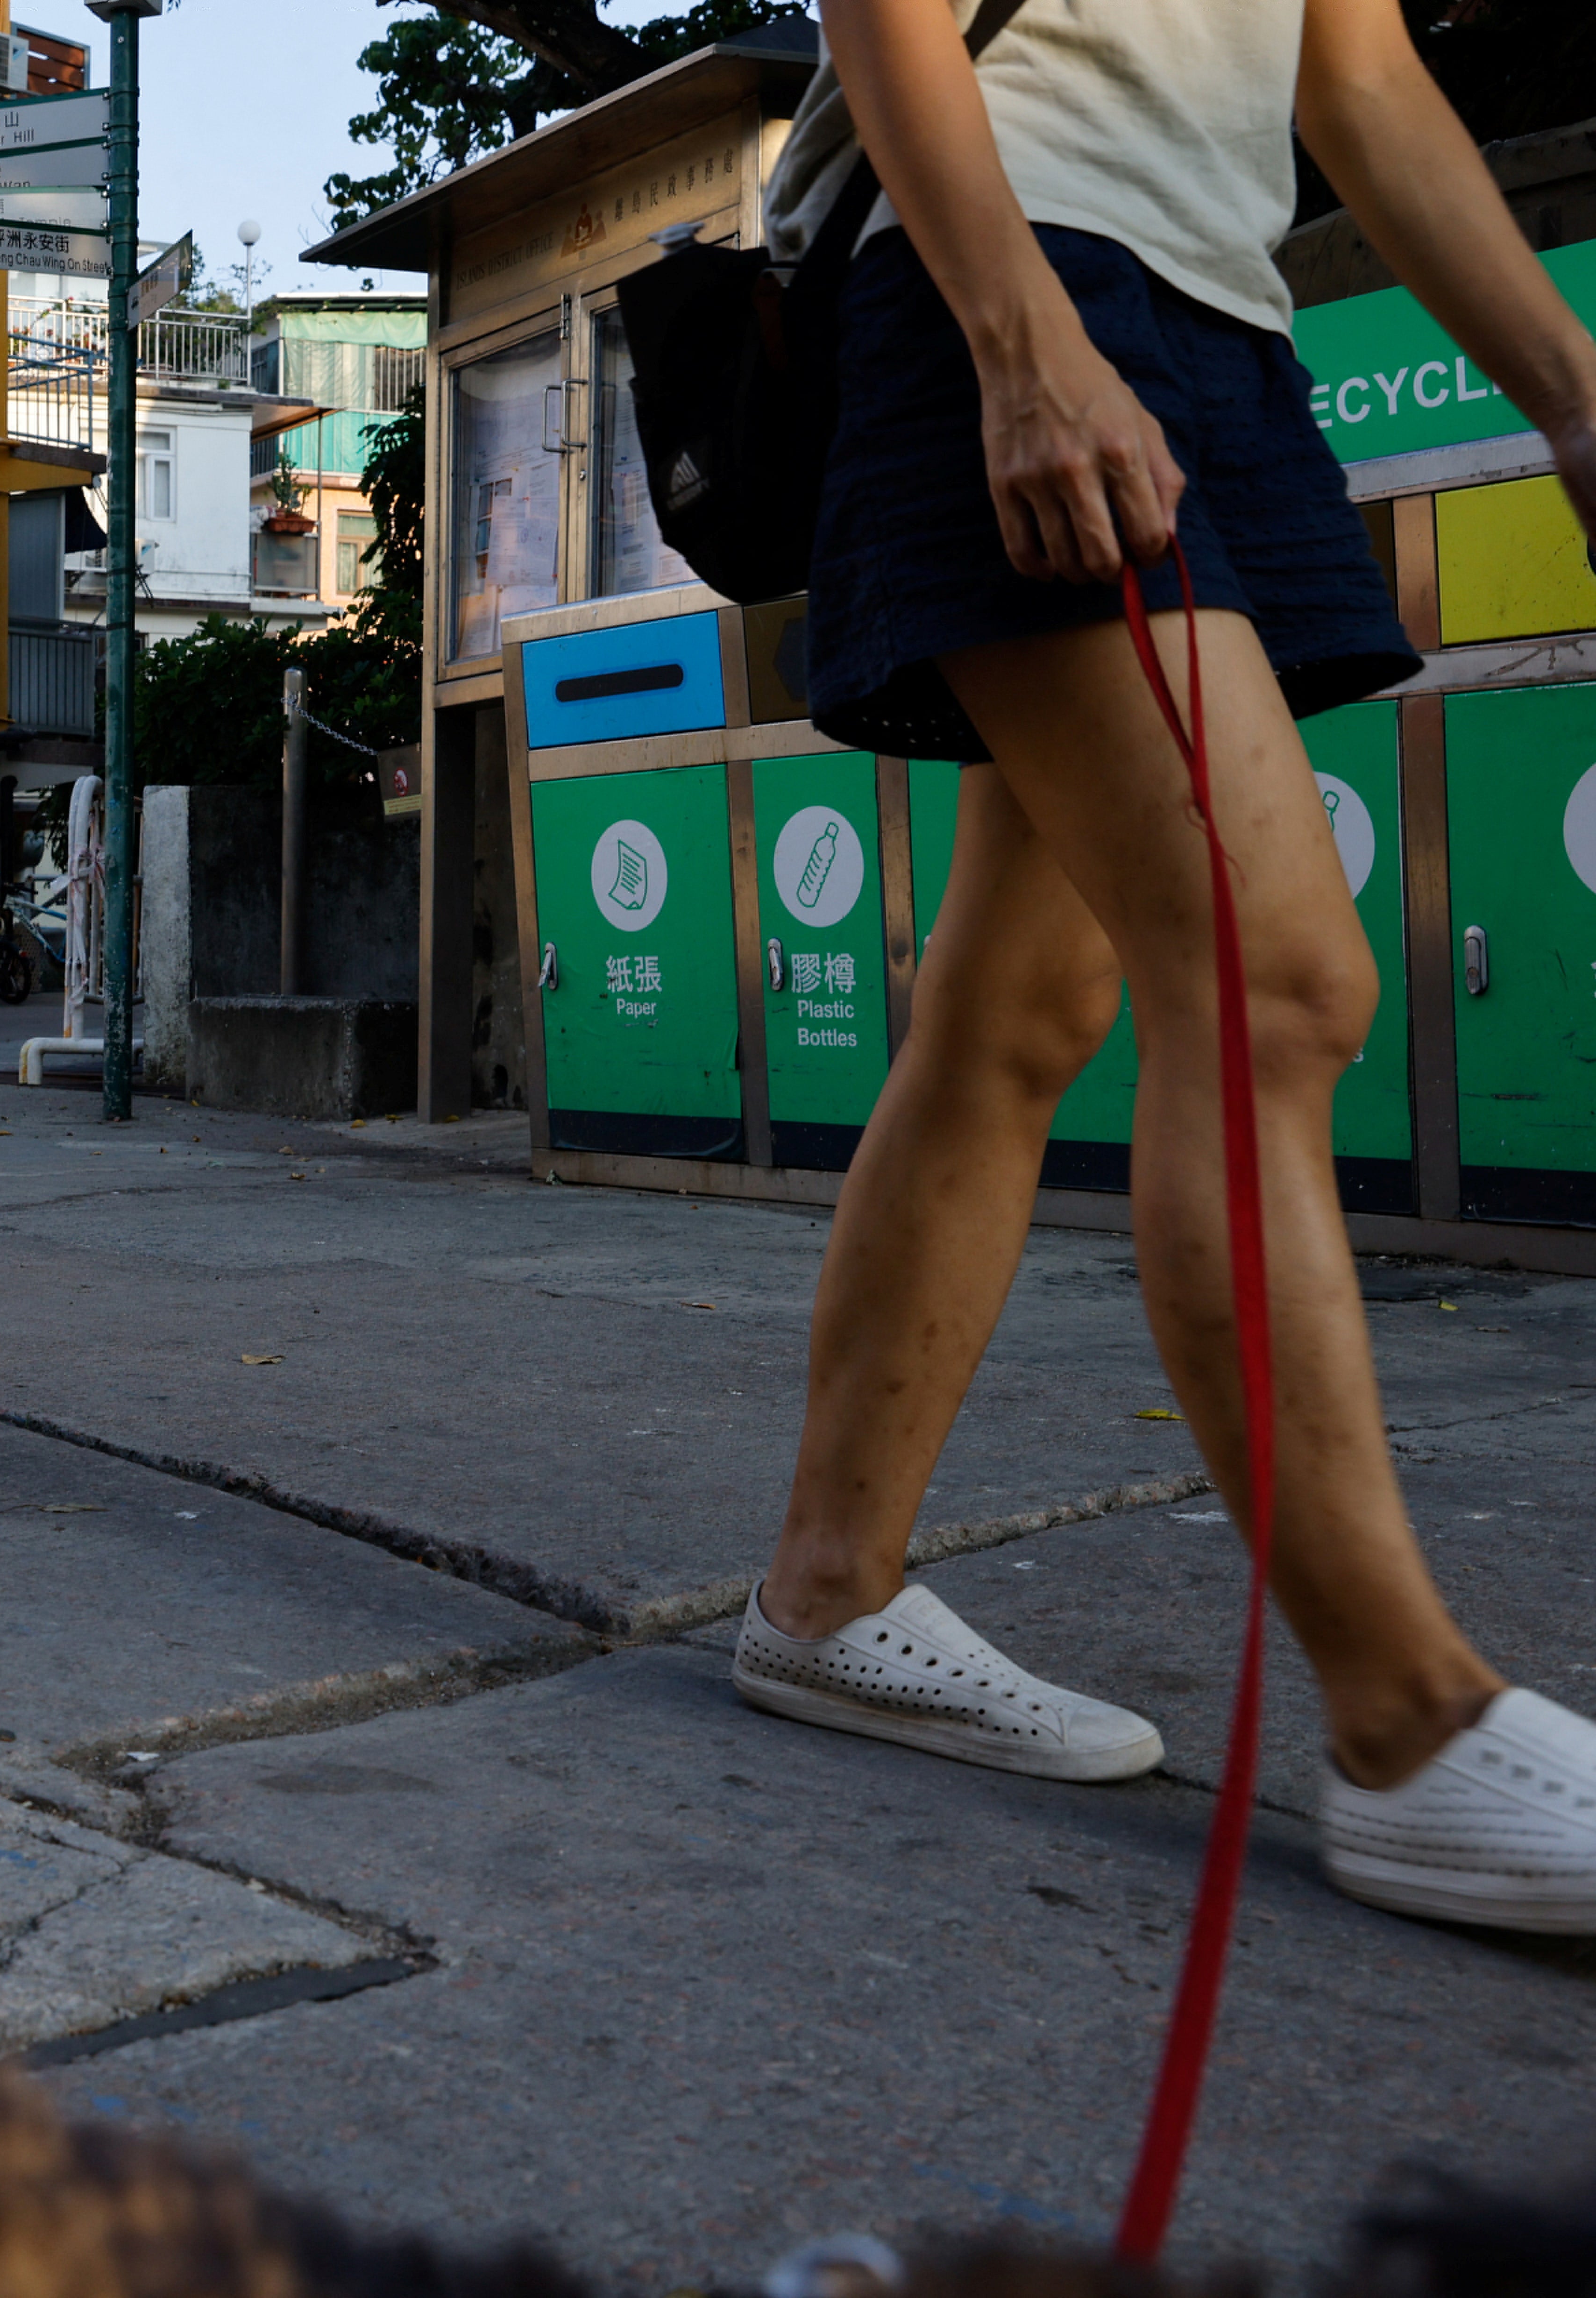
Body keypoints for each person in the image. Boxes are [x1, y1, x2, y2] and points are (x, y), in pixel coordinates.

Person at [732, 0, 1596, 1932]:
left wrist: (1569, 393)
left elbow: (1351, 75)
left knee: (1020, 1009)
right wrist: (1019, 341)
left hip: (1217, 324)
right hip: (1022, 276)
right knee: (1273, 984)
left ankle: (824, 1592)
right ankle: (1404, 1722)